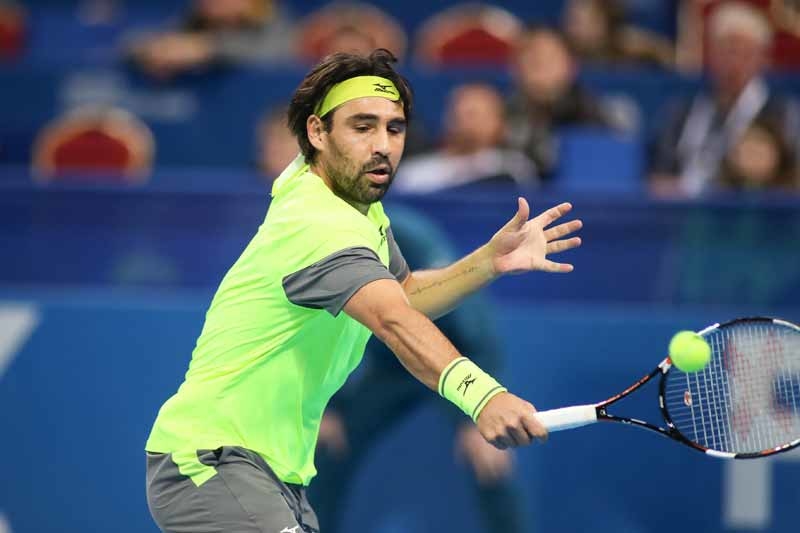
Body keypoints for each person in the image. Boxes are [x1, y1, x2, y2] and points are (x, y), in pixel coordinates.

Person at [145, 49, 582, 532]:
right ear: (317, 132)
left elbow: (404, 295)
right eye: (362, 127)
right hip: (215, 462)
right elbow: (393, 320)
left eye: (394, 129)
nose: (383, 145)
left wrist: (486, 263)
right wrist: (483, 397)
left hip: (270, 476)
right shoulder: (318, 224)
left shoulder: (346, 203)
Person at [311, 204, 529, 532]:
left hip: (453, 355)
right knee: (329, 442)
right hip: (390, 366)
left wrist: (482, 408)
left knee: (490, 448)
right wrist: (328, 406)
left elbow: (473, 325)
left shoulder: (410, 236)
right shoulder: (319, 244)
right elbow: (323, 330)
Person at [649, 1, 800, 197]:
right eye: (727, 51)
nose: (734, 62)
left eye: (744, 52)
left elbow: (792, 182)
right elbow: (658, 175)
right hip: (685, 208)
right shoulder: (683, 111)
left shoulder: (781, 114)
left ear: (763, 58)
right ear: (711, 54)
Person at [505, 26, 620, 180]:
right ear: (515, 68)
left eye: (549, 58)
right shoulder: (500, 117)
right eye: (532, 58)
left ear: (571, 66)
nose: (540, 66)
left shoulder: (593, 116)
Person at [395, 82, 537, 192]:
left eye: (475, 114)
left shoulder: (514, 169)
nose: (465, 121)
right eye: (459, 113)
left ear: (499, 123)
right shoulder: (414, 174)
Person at [125, 0, 294, 80]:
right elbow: (131, 43)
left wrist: (209, 49)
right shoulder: (192, 22)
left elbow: (276, 52)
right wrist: (154, 51)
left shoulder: (274, 23)